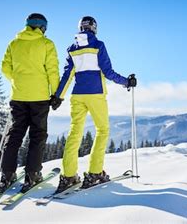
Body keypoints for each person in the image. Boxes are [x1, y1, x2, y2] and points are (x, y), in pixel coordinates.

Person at [50, 16, 137, 193]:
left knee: (75, 133)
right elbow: (108, 72)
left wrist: (58, 96)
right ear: (94, 28)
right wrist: (126, 82)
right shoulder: (98, 45)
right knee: (102, 130)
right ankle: (95, 173)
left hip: (77, 96)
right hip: (95, 95)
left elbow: (67, 75)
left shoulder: (73, 49)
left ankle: (68, 176)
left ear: (80, 28)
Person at [0, 13, 60, 193]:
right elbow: (52, 70)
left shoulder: (14, 43)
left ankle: (7, 174)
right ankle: (32, 174)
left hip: (18, 96)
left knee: (15, 134)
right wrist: (55, 94)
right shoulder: (46, 44)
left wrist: (18, 80)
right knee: (37, 135)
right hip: (39, 97)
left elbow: (5, 68)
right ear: (42, 27)